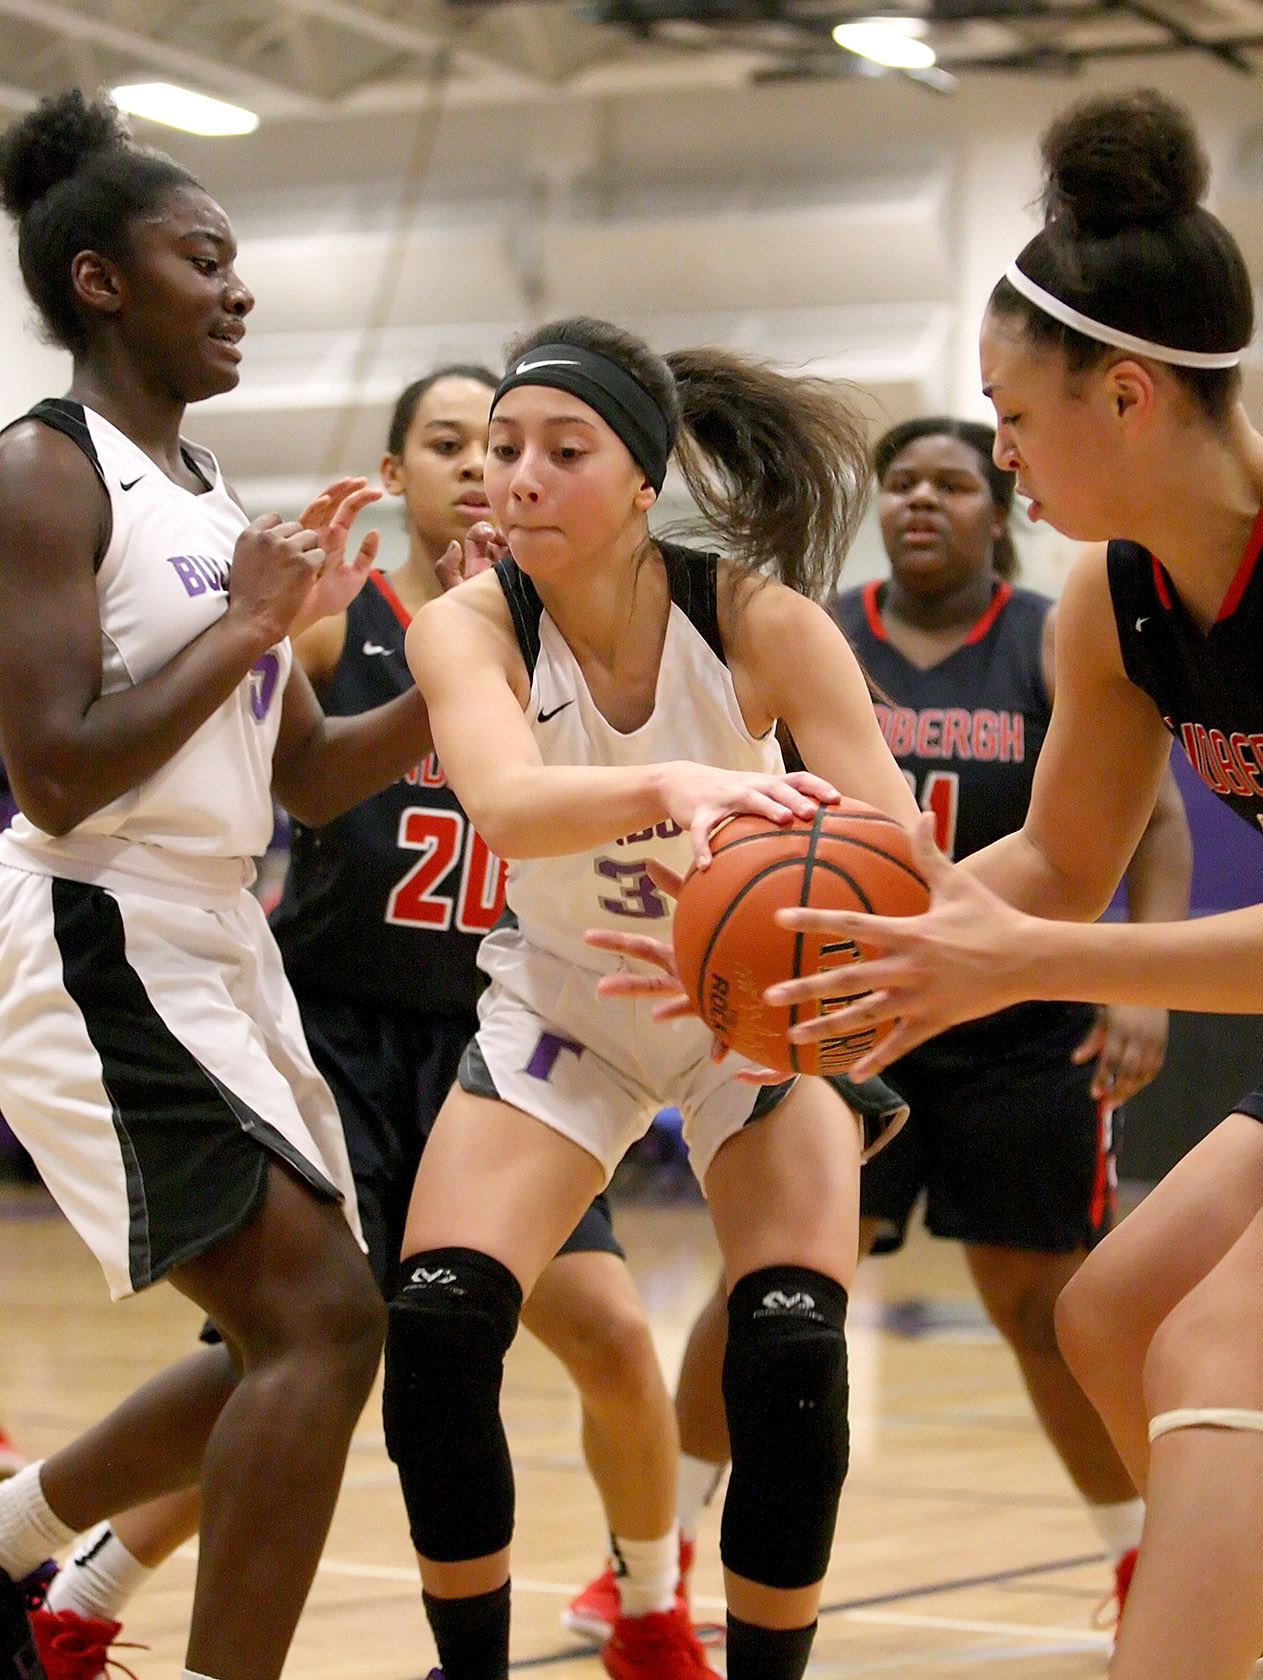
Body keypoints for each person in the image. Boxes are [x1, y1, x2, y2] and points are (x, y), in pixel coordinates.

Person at [32, 365, 691, 1680]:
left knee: (609, 1332)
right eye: (444, 443)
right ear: (397, 477)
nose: (472, 466)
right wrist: (277, 629)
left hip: (507, 1044)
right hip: (338, 1029)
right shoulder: (352, 623)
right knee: (299, 1355)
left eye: (490, 444)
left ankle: (649, 1602)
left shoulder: (569, 630)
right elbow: (289, 753)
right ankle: (86, 1587)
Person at [751, 89, 1263, 1680]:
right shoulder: (1107, 604)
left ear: (1121, 396)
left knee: (1205, 1345)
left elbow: (1044, 922)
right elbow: (1049, 860)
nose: (995, 454)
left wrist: (1025, 958)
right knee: (1104, 1318)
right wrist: (836, 927)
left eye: (1009, 416)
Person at [389, 313, 921, 1680]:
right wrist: (678, 787)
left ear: (639, 483)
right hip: (570, 1001)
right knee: (438, 1327)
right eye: (501, 447)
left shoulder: (755, 622)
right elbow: (505, 806)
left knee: (790, 1351)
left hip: (745, 1013)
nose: (515, 474)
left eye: (561, 450)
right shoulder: (469, 623)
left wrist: (825, 949)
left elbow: (894, 841)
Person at [0, 89, 441, 1680]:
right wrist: (252, 625)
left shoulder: (205, 490)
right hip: (94, 916)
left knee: (307, 1322)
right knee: (320, 1325)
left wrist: (481, 646)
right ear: (102, 282)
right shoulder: (46, 474)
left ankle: (8, 1542)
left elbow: (311, 776)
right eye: (206, 259)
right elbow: (54, 765)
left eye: (238, 258)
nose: (240, 287)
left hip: (212, 930)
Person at [646, 413, 1193, 1624]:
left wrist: (1138, 978)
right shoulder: (815, 634)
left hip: (1019, 1014)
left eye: (953, 481)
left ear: (996, 510)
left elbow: (1151, 823)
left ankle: (1137, 1555)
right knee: (770, 1281)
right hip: (841, 1010)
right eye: (902, 484)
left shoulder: (1057, 636)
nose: (923, 502)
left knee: (1040, 1301)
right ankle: (657, 1554)